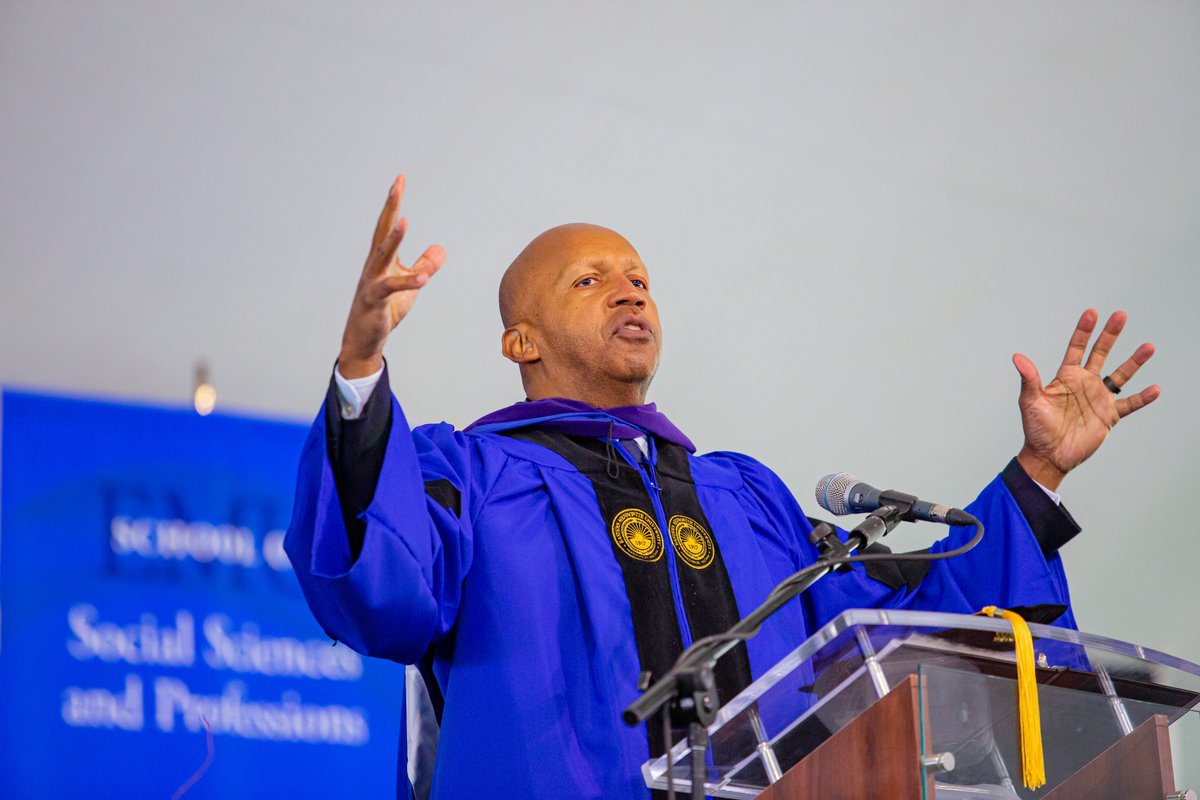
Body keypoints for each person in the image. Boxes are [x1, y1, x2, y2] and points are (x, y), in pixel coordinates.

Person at [284, 175, 1159, 800]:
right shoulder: (470, 478)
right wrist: (361, 367)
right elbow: (378, 583)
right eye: (590, 281)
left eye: (640, 280)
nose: (629, 293)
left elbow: (904, 627)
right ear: (522, 341)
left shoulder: (743, 497)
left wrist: (1039, 471)